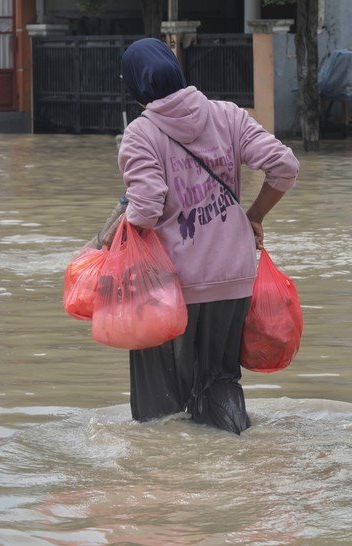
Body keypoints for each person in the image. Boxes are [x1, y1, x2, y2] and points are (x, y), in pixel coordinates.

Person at [116, 38, 300, 434]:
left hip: (171, 286)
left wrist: (117, 231)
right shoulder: (228, 116)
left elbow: (146, 209)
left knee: (159, 401)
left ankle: (171, 475)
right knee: (220, 382)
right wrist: (253, 215)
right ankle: (238, 450)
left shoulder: (141, 134)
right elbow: (285, 166)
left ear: (132, 84)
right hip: (234, 277)